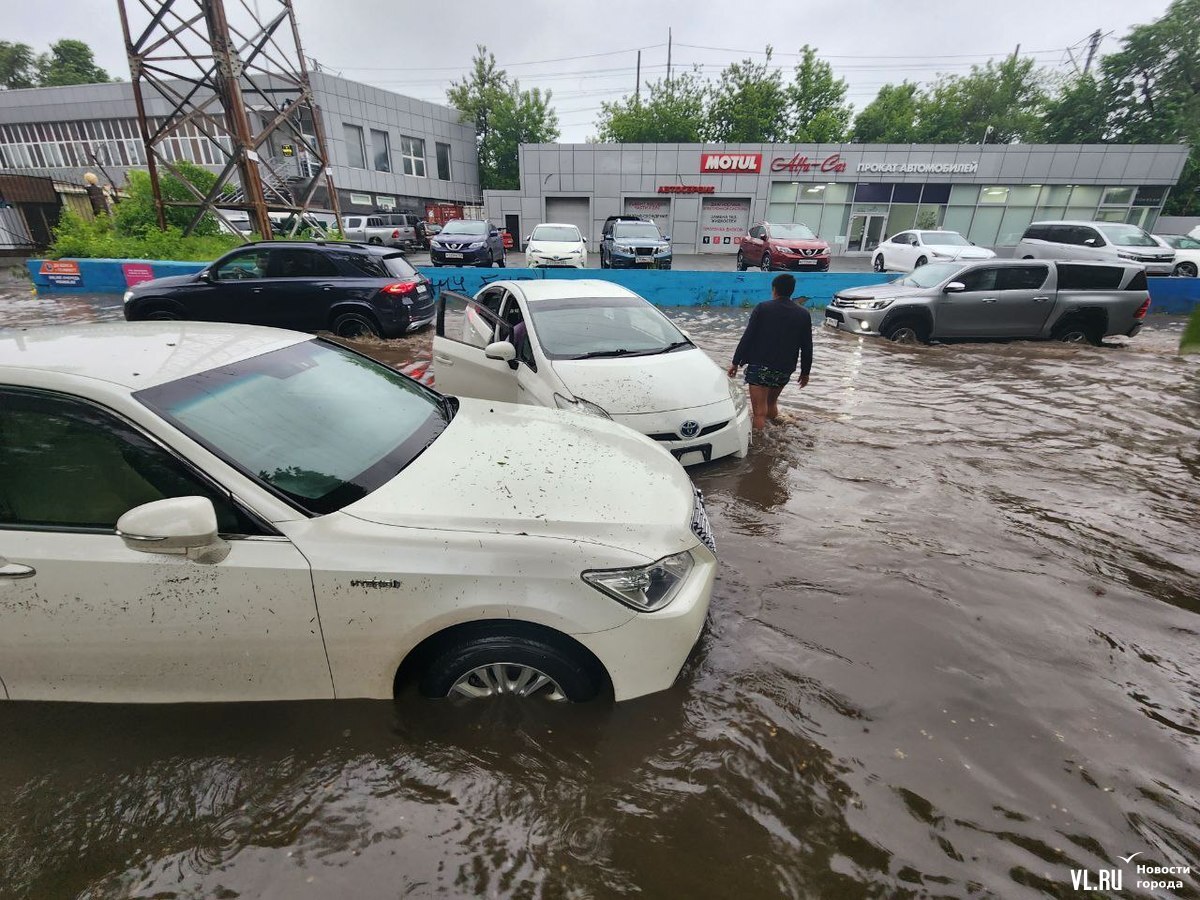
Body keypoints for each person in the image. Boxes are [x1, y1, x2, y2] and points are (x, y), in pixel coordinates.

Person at [728, 273, 813, 430]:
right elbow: (807, 346)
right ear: (792, 291)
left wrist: (735, 363)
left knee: (759, 412)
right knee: (771, 404)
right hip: (784, 369)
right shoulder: (803, 314)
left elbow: (747, 337)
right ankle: (778, 436)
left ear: (774, 290)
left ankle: (760, 448)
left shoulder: (763, 308)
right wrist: (805, 373)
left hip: (760, 367)